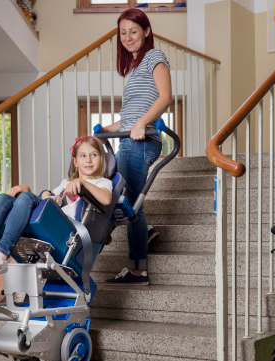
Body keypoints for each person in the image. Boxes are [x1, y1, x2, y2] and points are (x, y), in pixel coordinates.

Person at [0, 137, 113, 278]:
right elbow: (47, 198)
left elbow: (106, 199)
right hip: (50, 219)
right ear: (75, 162)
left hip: (64, 230)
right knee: (4, 198)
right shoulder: (65, 183)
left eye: (94, 155)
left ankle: (1, 253)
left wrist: (82, 182)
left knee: (25, 197)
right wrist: (30, 191)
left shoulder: (102, 182)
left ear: (102, 159)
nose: (88, 160)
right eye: (83, 156)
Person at [100, 8, 172, 286]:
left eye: (133, 31)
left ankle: (138, 271)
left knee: (130, 204)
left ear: (146, 31)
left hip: (140, 142)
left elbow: (165, 97)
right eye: (123, 32)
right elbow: (132, 115)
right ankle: (146, 232)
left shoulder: (154, 57)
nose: (128, 37)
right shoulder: (133, 68)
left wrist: (142, 122)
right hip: (129, 139)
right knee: (124, 199)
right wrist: (109, 128)